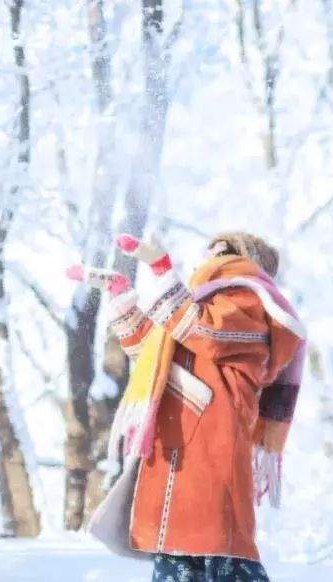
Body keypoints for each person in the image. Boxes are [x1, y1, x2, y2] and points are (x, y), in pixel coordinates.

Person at [68, 232, 306, 582]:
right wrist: (120, 296)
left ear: (241, 259)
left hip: (211, 454)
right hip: (175, 454)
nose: (205, 260)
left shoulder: (248, 303)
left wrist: (162, 268)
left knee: (224, 558)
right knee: (181, 560)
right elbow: (152, 352)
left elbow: (200, 330)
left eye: (218, 252)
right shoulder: (206, 304)